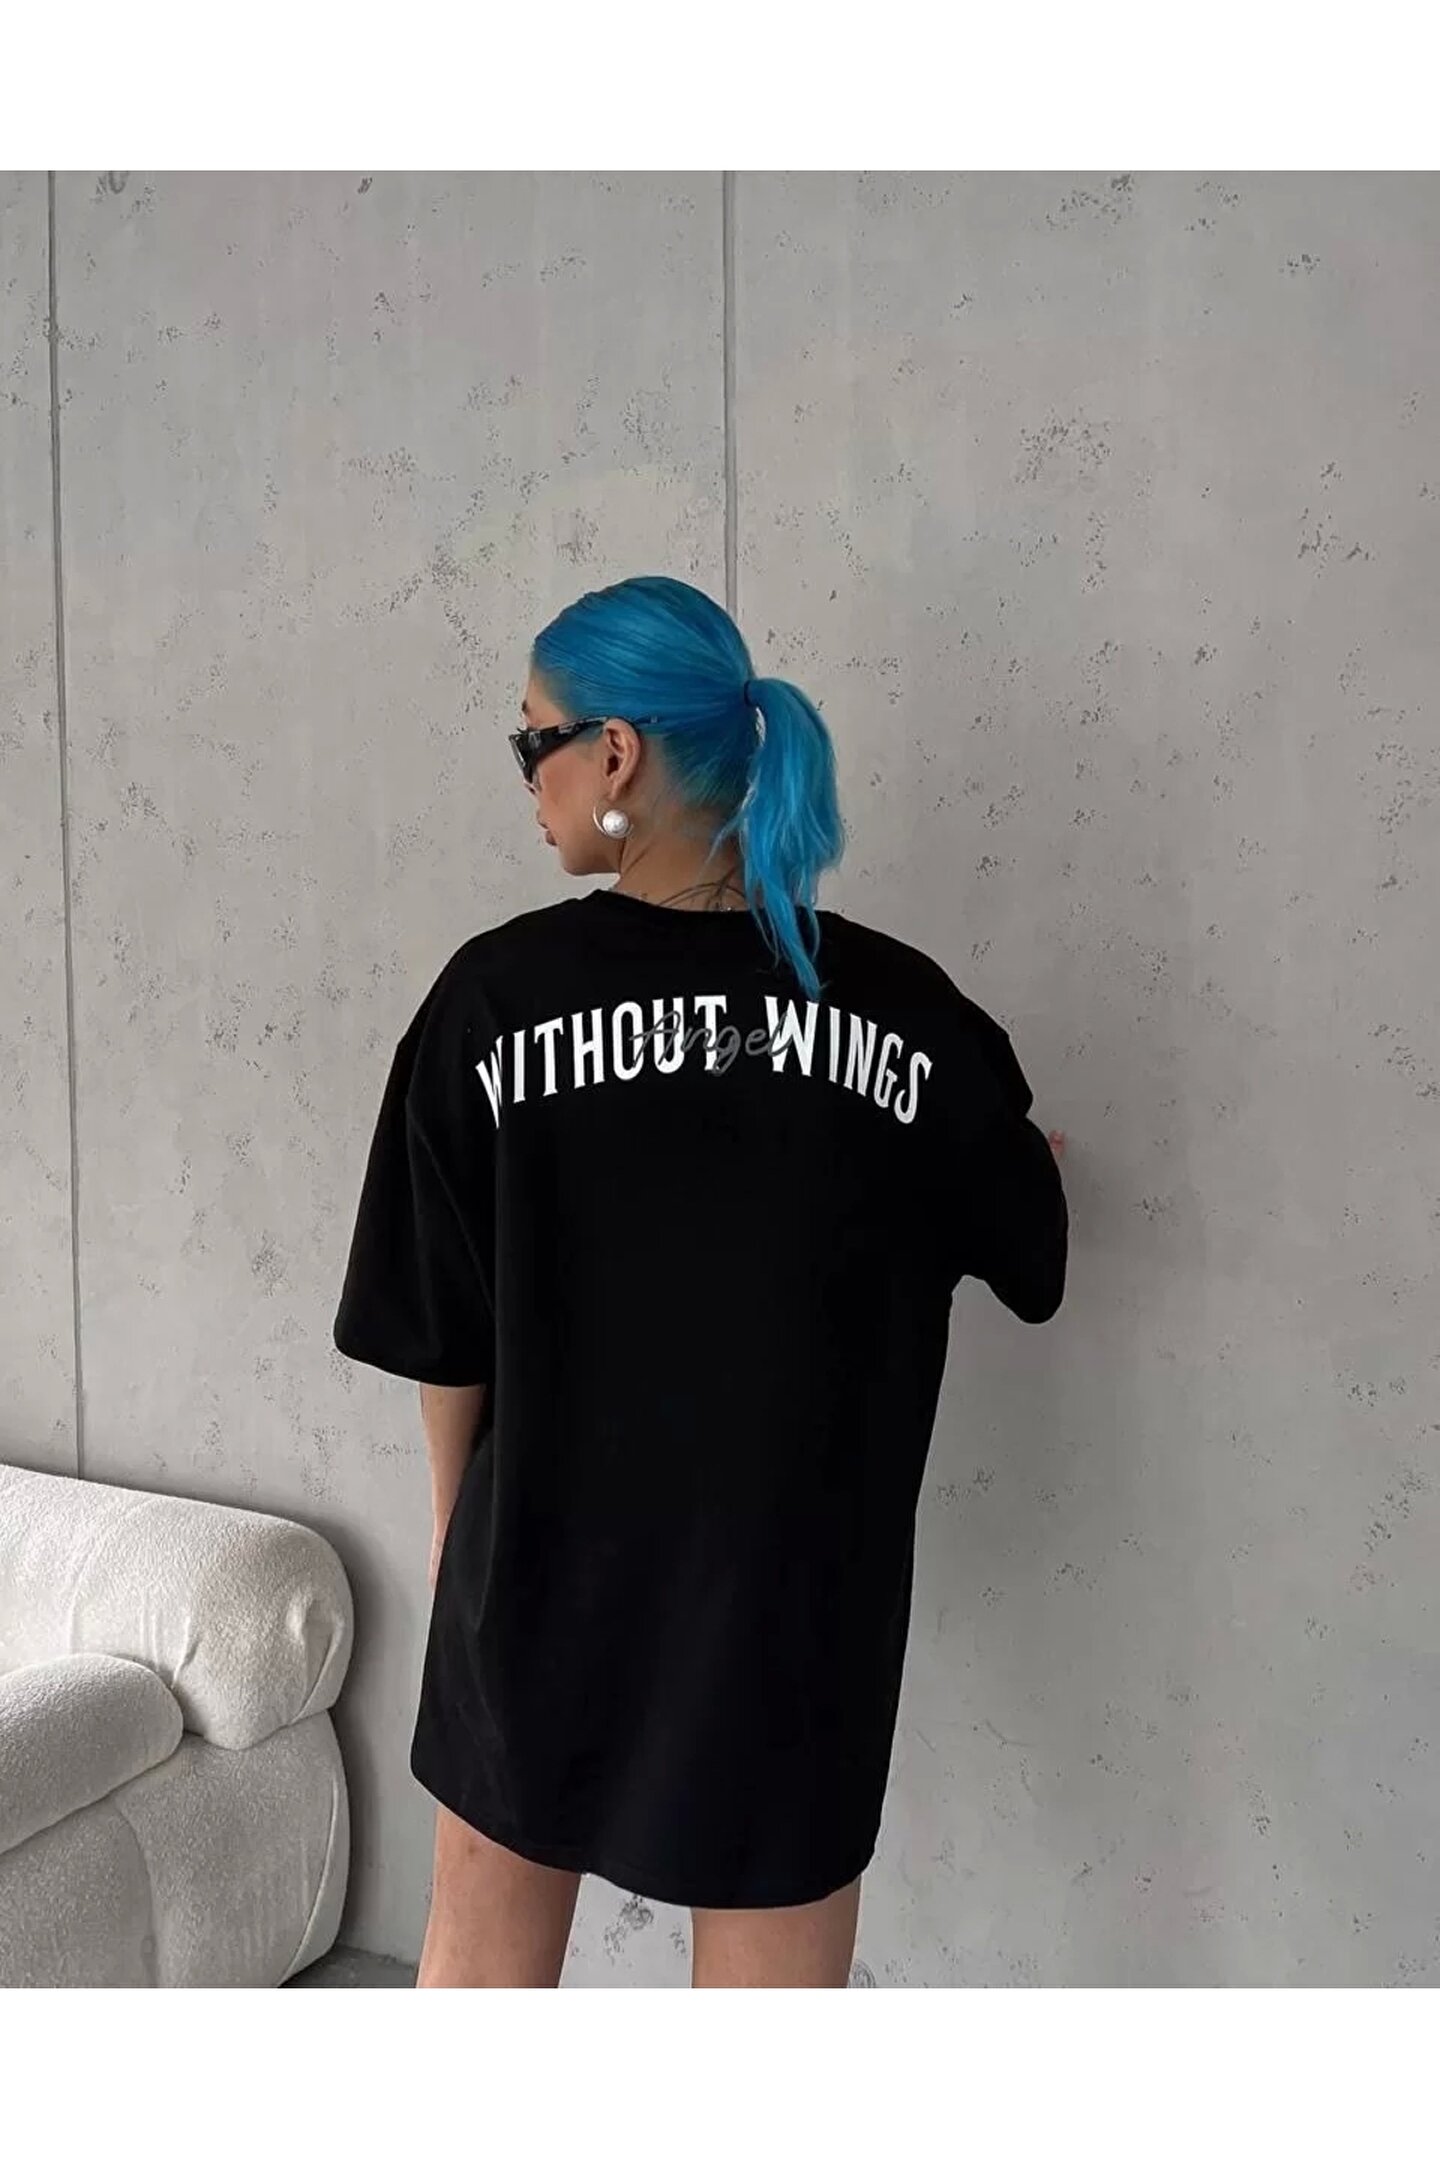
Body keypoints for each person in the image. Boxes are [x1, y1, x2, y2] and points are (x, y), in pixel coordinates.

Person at [332, 573, 1068, 1988]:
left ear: (614, 753)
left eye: (534, 740)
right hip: (794, 1612)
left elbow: (445, 1336)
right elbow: (1027, 1245)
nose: (529, 780)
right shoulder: (909, 1015)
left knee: (477, 1989)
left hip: (539, 1579)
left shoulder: (494, 1001)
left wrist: (458, 1549)